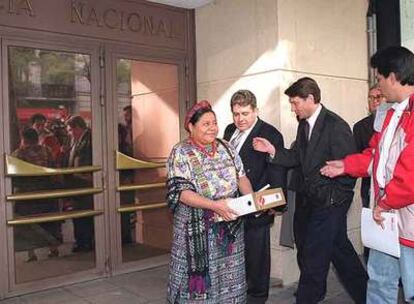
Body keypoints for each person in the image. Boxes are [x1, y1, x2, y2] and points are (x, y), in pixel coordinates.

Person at [253, 77, 368, 304]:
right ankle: (369, 296)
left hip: (329, 204)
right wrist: (273, 150)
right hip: (309, 202)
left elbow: (350, 168)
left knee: (313, 260)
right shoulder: (304, 124)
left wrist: (333, 200)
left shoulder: (336, 126)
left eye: (295, 103)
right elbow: (298, 158)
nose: (292, 107)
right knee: (340, 253)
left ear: (310, 99)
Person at [321, 46, 414, 304]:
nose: (378, 85)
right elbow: (377, 155)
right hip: (386, 218)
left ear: (393, 76)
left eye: (380, 78)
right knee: (379, 283)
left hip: (406, 220)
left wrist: (384, 202)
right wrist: (347, 166)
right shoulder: (390, 114)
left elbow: (411, 173)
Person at [166, 100, 253, 303]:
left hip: (230, 226)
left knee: (230, 277)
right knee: (199, 284)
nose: (212, 128)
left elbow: (241, 177)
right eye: (206, 124)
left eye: (214, 122)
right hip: (196, 227)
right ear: (191, 126)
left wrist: (252, 201)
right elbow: (182, 192)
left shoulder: (227, 147)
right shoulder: (181, 152)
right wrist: (215, 206)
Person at [223, 89, 286, 304]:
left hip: (258, 207)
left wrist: (273, 204)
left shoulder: (271, 133)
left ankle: (257, 298)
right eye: (236, 114)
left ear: (256, 111)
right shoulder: (229, 129)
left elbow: (278, 171)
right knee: (236, 258)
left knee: (257, 259)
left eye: (245, 114)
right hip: (232, 206)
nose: (240, 119)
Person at [12, 128, 61, 261]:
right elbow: (54, 168)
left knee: (28, 224)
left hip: (27, 195)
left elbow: (14, 174)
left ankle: (31, 253)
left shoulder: (19, 154)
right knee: (49, 221)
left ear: (24, 139)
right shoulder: (47, 151)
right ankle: (53, 248)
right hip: (46, 192)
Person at [63, 115, 94, 252]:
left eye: (70, 130)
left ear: (78, 128)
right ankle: (81, 241)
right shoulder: (75, 140)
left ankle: (84, 242)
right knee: (79, 214)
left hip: (84, 182)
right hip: (77, 182)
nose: (69, 133)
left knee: (84, 215)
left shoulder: (89, 139)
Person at [353, 85, 386, 208]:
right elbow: (357, 157)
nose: (374, 101)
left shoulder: (398, 122)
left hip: (395, 186)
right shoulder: (360, 127)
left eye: (378, 97)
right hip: (369, 186)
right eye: (371, 98)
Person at [118, 105, 134, 244]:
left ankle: (126, 238)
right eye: (125, 115)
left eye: (128, 115)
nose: (126, 117)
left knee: (124, 210)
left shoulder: (131, 133)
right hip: (123, 179)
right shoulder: (126, 129)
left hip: (126, 179)